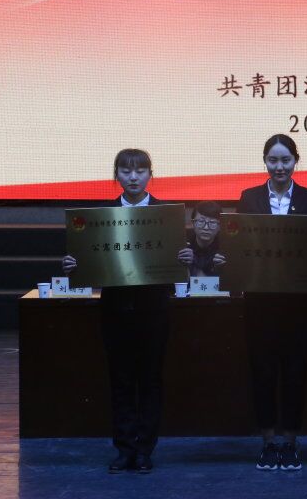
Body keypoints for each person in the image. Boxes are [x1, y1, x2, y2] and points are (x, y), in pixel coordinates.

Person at [61, 148, 187, 474]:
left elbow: (176, 263)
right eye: (126, 171)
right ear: (115, 175)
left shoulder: (167, 216)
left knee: (150, 379)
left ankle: (145, 450)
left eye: (140, 171)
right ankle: (124, 448)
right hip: (115, 309)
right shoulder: (101, 217)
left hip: (154, 309)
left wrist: (183, 260)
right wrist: (75, 265)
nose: (133, 177)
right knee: (120, 380)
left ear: (150, 175)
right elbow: (88, 265)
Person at [236, 134, 307, 471]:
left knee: (296, 373)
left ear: (296, 161)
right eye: (273, 160)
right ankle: (269, 442)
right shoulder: (249, 198)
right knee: (263, 372)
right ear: (265, 162)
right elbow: (241, 245)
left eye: (286, 160)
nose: (279, 166)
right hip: (260, 303)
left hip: (299, 305)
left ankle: (292, 443)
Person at [178, 201, 226, 278]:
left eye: (212, 222)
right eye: (201, 221)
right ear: (193, 223)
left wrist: (221, 270)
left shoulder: (225, 252)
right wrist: (185, 267)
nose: (206, 227)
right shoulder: (183, 248)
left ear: (220, 226)